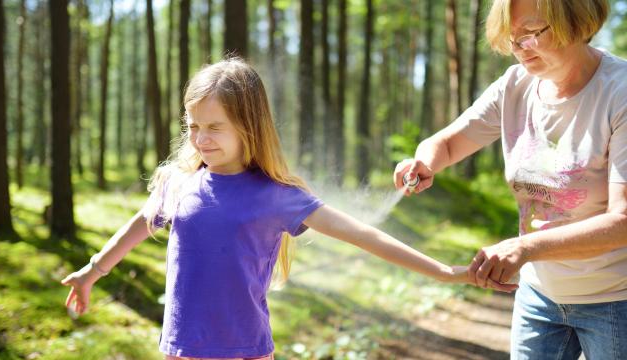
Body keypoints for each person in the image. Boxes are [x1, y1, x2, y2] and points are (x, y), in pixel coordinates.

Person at [61, 58, 468, 360]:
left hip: (247, 352)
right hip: (181, 349)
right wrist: (92, 271)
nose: (200, 139)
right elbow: (141, 223)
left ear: (249, 126)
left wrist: (444, 272)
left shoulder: (275, 195)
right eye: (193, 126)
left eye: (214, 127)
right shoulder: (177, 182)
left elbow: (364, 235)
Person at [394, 0, 627, 358]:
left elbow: (622, 222)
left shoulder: (619, 93)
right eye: (511, 38)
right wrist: (423, 162)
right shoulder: (515, 85)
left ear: (577, 20)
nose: (518, 49)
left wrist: (524, 248)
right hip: (539, 296)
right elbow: (449, 141)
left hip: (615, 300)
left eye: (531, 34)